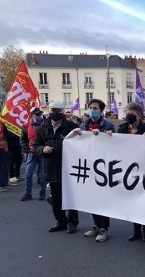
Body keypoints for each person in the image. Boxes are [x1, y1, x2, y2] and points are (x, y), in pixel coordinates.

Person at [33, 101, 79, 233]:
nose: (55, 113)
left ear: (63, 112)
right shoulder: (43, 128)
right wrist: (43, 149)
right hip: (51, 166)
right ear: (48, 110)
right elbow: (35, 146)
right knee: (56, 197)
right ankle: (60, 221)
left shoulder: (71, 126)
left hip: (69, 167)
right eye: (53, 110)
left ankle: (72, 222)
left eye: (58, 110)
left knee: (71, 196)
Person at [118, 102, 145, 242]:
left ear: (140, 116)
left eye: (132, 115)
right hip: (128, 169)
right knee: (133, 201)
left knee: (144, 201)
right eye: (127, 114)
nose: (129, 117)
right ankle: (136, 230)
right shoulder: (122, 129)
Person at [75, 99, 115, 242]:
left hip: (103, 166)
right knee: (92, 197)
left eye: (96, 108)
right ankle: (96, 225)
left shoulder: (107, 125)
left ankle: (105, 228)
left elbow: (114, 144)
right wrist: (77, 135)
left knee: (103, 198)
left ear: (101, 110)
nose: (93, 110)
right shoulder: (84, 124)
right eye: (91, 107)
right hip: (88, 164)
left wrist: (106, 136)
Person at [20, 107, 46, 201]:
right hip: (31, 153)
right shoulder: (26, 126)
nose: (39, 116)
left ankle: (42, 192)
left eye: (40, 114)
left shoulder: (45, 125)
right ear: (32, 115)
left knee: (43, 174)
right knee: (28, 174)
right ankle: (28, 193)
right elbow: (22, 139)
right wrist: (26, 149)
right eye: (37, 114)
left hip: (42, 152)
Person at [0, 120, 9, 193]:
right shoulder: (1, 123)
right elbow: (6, 135)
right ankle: (4, 183)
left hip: (1, 146)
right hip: (2, 147)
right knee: (3, 165)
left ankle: (1, 184)